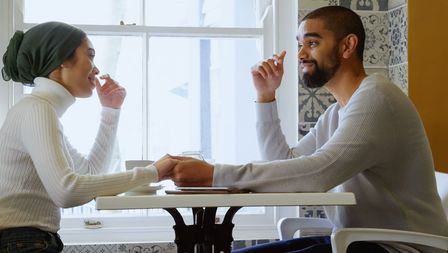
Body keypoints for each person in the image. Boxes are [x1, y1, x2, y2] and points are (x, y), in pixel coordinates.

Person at [171, 6, 448, 253]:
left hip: (397, 247)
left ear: (347, 46)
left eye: (312, 43)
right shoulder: (337, 112)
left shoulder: (377, 99)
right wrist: (265, 97)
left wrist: (215, 174)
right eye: (300, 44)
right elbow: (286, 165)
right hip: (355, 240)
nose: (301, 54)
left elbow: (319, 173)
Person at [0, 21, 177, 252]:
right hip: (24, 243)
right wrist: (152, 172)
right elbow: (67, 192)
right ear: (62, 59)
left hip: (26, 242)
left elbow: (90, 174)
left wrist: (111, 111)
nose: (96, 69)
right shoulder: (37, 110)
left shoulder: (38, 109)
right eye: (90, 56)